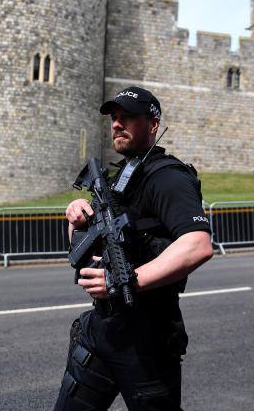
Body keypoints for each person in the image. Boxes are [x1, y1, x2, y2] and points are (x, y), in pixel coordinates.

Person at [53, 86, 214, 410]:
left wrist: (126, 281)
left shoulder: (167, 177)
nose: (117, 124)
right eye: (114, 118)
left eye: (127, 117)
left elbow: (198, 244)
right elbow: (84, 248)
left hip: (147, 335)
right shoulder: (122, 178)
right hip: (103, 329)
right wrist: (78, 216)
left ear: (152, 124)